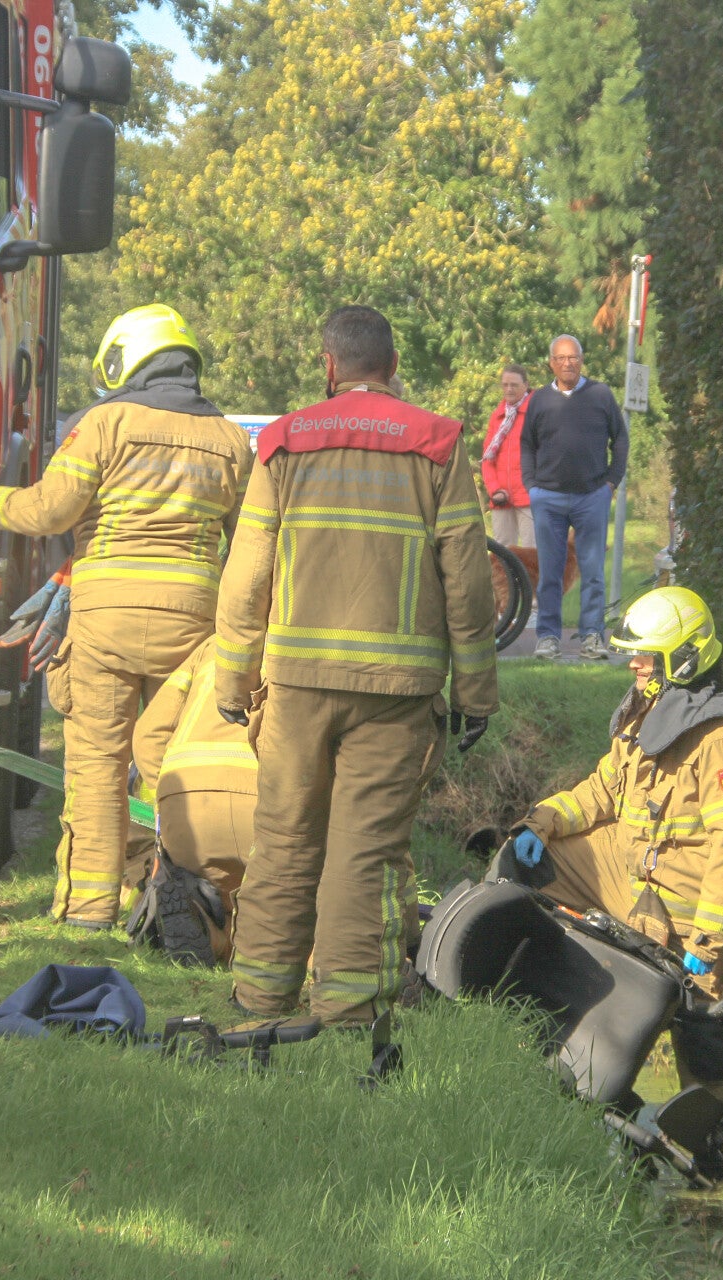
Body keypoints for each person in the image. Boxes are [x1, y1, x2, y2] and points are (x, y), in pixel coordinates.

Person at [216, 305, 498, 1026]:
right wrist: (476, 693)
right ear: (393, 365)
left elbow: (246, 578)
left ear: (329, 364)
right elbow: (468, 584)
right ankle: (346, 1014)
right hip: (397, 693)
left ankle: (258, 1002)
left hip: (295, 689)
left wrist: (233, 680)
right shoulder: (438, 446)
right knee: (363, 854)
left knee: (283, 840)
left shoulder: (283, 443)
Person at [0, 304, 251, 930]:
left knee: (96, 766)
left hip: (105, 618)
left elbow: (49, 510)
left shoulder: (104, 423)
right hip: (193, 623)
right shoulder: (233, 439)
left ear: (126, 360)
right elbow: (252, 547)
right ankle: (170, 906)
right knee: (170, 764)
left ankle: (88, 912)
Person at [507, 586, 723, 1126]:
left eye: (645, 656)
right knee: (533, 866)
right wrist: (541, 822)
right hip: (630, 883)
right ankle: (538, 1022)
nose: (634, 665)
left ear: (682, 659)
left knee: (707, 1037)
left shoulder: (722, 742)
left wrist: (707, 940)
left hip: (686, 917)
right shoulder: (645, 715)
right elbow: (603, 791)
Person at [130, 635, 257, 966]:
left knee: (215, 887)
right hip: (267, 807)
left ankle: (209, 928)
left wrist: (169, 796)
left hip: (188, 809)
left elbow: (148, 734)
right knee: (290, 894)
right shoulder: (321, 646)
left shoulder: (213, 646)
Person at [519, 334, 628, 661]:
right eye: (562, 358)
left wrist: (611, 482)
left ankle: (592, 637)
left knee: (592, 572)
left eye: (574, 357)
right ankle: (548, 638)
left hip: (592, 497)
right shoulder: (539, 399)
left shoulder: (600, 395)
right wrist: (531, 486)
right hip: (548, 498)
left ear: (581, 361)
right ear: (551, 363)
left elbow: (620, 440)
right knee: (550, 572)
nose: (568, 363)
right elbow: (527, 445)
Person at [481, 363, 576, 620]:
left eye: (514, 385)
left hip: (529, 496)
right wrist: (495, 489)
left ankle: (532, 609)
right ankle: (505, 609)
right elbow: (487, 459)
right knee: (501, 555)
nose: (509, 389)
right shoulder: (498, 416)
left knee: (534, 553)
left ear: (526, 385)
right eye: (505, 385)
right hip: (501, 498)